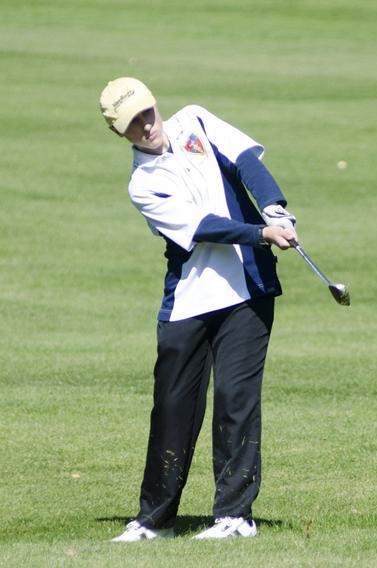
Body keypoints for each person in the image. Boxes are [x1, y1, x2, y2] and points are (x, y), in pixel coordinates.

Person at [99, 77, 299, 541]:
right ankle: (155, 519)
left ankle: (234, 516)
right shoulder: (142, 184)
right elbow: (203, 227)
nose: (146, 126)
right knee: (172, 406)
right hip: (190, 297)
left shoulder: (195, 120)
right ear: (120, 133)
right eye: (133, 124)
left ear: (155, 104)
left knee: (236, 400)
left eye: (147, 113)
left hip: (247, 290)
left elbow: (247, 159)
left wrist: (274, 207)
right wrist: (261, 233)